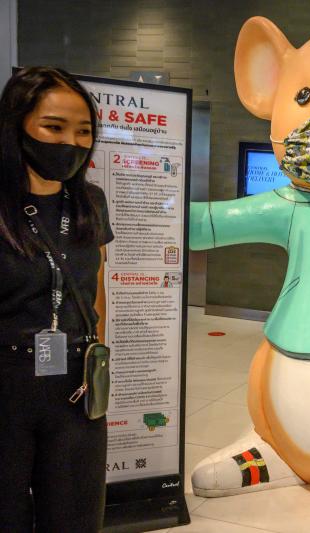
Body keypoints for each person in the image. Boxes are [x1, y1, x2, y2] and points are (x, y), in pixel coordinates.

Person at [0, 67, 114, 531]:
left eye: (83, 130)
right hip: (6, 381)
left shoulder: (90, 200)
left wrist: (96, 354)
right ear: (16, 125)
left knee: (76, 516)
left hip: (74, 383)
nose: (71, 141)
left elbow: (95, 283)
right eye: (54, 127)